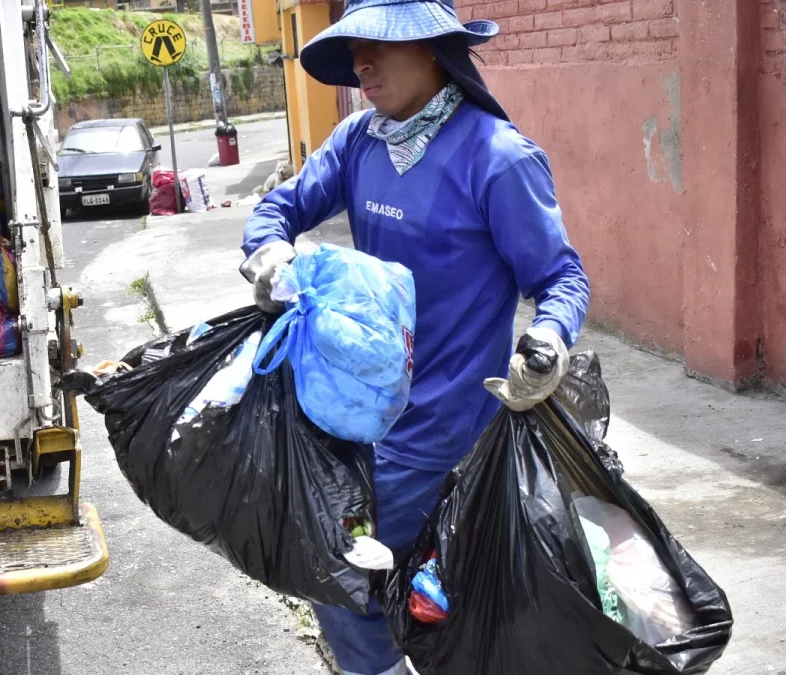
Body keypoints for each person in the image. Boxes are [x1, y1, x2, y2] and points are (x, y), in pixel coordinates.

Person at [239, 1, 591, 674]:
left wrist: (547, 340)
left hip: (447, 429)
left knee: (339, 565)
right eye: (354, 50)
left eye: (381, 47)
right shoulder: (357, 143)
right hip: (357, 413)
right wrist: (268, 249)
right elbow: (281, 207)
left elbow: (561, 277)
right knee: (393, 580)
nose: (361, 64)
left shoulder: (498, 159)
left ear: (435, 51)